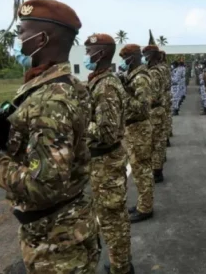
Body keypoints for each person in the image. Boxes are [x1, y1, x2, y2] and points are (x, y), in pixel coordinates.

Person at [0, 0, 100, 272]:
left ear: (41, 39)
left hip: (55, 240)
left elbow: (44, 187)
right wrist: (5, 135)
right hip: (68, 223)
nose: (18, 39)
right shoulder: (66, 85)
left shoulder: (49, 99)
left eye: (22, 32)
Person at [84, 34, 133, 274]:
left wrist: (78, 125)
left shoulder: (106, 86)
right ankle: (120, 262)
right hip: (101, 162)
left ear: (100, 54)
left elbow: (107, 132)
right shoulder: (99, 81)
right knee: (110, 215)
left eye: (88, 51)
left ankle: (121, 267)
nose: (86, 56)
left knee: (113, 218)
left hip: (107, 161)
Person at [120, 44, 155, 223]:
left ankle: (146, 208)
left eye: (123, 58)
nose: (121, 62)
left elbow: (142, 107)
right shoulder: (132, 76)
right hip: (133, 129)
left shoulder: (141, 78)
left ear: (132, 58)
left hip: (139, 129)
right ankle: (143, 202)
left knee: (142, 169)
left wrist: (122, 92)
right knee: (139, 169)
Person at [143, 32, 167, 183]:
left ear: (151, 56)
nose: (143, 57)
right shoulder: (156, 70)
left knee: (155, 142)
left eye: (145, 55)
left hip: (155, 111)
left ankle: (157, 172)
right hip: (157, 110)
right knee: (158, 141)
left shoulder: (154, 73)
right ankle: (157, 169)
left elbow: (154, 96)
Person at [159, 50, 173, 146]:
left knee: (163, 117)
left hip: (162, 94)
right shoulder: (165, 67)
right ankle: (168, 133)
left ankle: (165, 136)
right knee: (167, 115)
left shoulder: (161, 68)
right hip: (166, 93)